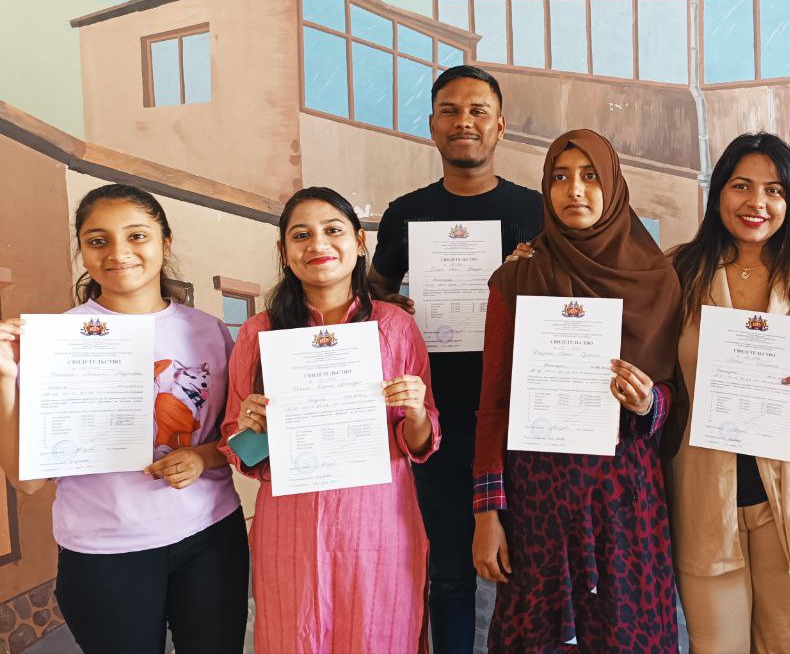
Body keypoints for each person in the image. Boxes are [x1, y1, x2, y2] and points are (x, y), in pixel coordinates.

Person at [0, 184, 248, 654]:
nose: (119, 253)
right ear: (82, 250)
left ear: (165, 243)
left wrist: (201, 455)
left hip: (210, 538)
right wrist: (5, 375)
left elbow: (237, 438)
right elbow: (28, 482)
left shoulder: (208, 331)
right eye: (98, 241)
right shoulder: (57, 341)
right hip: (104, 550)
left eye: (137, 236)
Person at [471, 129, 682, 652]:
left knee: (627, 634)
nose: (575, 191)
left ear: (613, 187)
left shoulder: (657, 280)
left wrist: (649, 402)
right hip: (536, 500)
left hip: (624, 499)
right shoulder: (515, 280)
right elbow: (494, 402)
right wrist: (487, 513)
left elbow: (675, 390)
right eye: (560, 178)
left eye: (590, 177)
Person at [219, 186, 439, 654]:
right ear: (284, 251)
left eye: (332, 230)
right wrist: (248, 428)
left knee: (378, 635)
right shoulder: (260, 333)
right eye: (301, 235)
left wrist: (418, 410)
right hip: (290, 528)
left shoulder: (395, 327)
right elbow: (242, 453)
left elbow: (417, 443)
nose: (318, 245)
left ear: (359, 242)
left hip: (378, 525)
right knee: (294, 636)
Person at [368, 64, 542, 654]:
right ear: (433, 126)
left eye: (477, 111)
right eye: (449, 110)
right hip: (434, 421)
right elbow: (372, 295)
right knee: (447, 572)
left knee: (529, 569)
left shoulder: (536, 212)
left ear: (499, 126)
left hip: (518, 419)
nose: (463, 122)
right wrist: (393, 307)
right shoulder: (405, 213)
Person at [666, 132, 790, 653]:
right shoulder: (677, 270)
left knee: (785, 646)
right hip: (706, 494)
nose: (757, 203)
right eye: (741, 186)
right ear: (718, 193)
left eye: (774, 190)